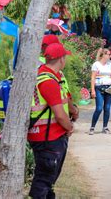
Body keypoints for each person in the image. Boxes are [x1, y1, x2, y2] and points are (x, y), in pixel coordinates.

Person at [28, 43, 74, 198]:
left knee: (47, 180)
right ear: (61, 59)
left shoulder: (42, 75)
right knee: (44, 180)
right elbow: (60, 115)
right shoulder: (48, 81)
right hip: (49, 138)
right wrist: (69, 127)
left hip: (43, 136)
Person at [89, 48, 111, 135]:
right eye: (108, 54)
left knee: (107, 108)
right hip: (99, 87)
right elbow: (93, 78)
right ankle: (92, 127)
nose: (109, 56)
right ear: (103, 55)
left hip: (109, 87)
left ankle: (105, 127)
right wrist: (92, 90)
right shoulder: (96, 64)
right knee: (99, 108)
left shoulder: (110, 64)